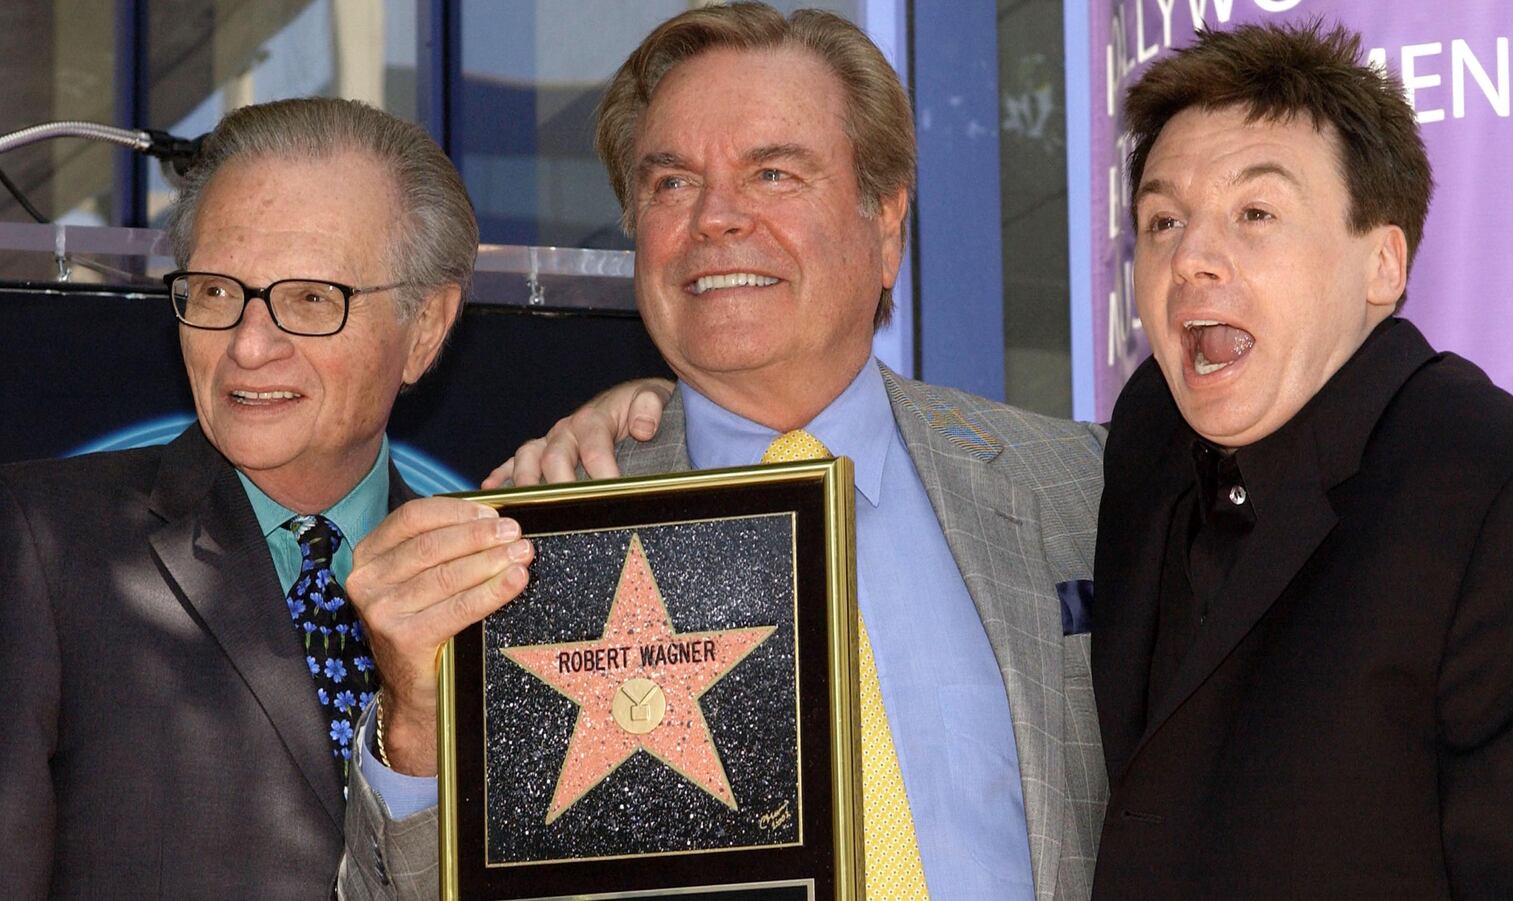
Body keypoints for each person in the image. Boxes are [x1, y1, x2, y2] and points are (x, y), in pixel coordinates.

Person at [338, 4, 1106, 899]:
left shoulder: (1084, 484)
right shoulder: (536, 544)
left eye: (774, 172)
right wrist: (421, 729)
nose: (716, 219)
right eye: (671, 184)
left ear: (886, 223)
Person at [1088, 22, 1513, 897]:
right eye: (1163, 221)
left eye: (1256, 214)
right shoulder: (1148, 438)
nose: (1192, 260)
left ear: (1383, 264)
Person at [0, 97, 475, 898]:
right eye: (217, 291)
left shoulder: (501, 588)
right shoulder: (40, 545)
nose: (250, 346)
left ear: (424, 328)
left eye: (313, 299)